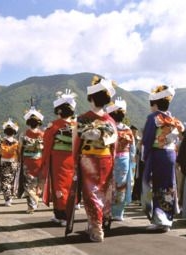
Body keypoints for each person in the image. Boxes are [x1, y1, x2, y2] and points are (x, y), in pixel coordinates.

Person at [74, 76, 118, 242]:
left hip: (88, 159)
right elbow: (114, 144)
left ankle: (96, 228)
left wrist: (75, 160)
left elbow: (76, 142)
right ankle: (96, 223)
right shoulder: (110, 120)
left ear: (91, 98)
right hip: (106, 158)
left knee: (91, 193)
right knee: (102, 192)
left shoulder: (83, 118)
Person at [141, 85, 184, 232]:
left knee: (156, 186)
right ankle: (167, 219)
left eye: (151, 105)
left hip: (157, 154)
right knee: (169, 186)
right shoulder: (172, 119)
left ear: (155, 104)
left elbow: (147, 139)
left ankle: (159, 220)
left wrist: (145, 156)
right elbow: (177, 139)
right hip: (170, 154)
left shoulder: (153, 118)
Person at [41, 90, 77, 226]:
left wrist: (44, 160)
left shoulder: (54, 125)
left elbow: (47, 142)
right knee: (68, 185)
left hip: (57, 159)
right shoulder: (76, 125)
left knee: (59, 185)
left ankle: (64, 216)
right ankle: (59, 214)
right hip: (72, 158)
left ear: (59, 111)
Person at [106, 97, 135, 221]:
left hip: (110, 158)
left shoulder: (108, 128)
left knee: (109, 184)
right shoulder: (127, 130)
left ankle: (108, 210)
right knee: (121, 185)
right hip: (124, 159)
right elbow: (133, 148)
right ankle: (119, 212)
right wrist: (132, 161)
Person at [19, 106, 44, 214]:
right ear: (39, 123)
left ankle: (32, 205)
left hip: (27, 161)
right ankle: (36, 199)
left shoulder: (23, 134)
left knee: (28, 183)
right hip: (39, 160)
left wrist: (20, 159)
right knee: (37, 182)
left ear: (28, 122)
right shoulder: (42, 134)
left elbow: (20, 148)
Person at [0, 118, 20, 207]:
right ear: (14, 132)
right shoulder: (17, 142)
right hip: (14, 162)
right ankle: (10, 198)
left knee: (5, 181)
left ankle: (7, 199)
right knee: (12, 181)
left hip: (4, 162)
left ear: (5, 132)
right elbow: (19, 153)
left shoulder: (1, 142)